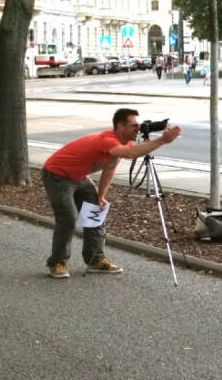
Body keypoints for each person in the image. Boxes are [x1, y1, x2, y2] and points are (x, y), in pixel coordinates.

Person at [42, 108, 182, 278]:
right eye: (134, 125)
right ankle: (57, 262)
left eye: (139, 125)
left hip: (79, 176)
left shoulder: (125, 142)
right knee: (68, 218)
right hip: (57, 175)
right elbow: (131, 154)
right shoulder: (108, 140)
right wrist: (162, 140)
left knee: (96, 212)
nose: (138, 129)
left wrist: (100, 196)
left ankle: (95, 260)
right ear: (120, 127)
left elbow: (110, 169)